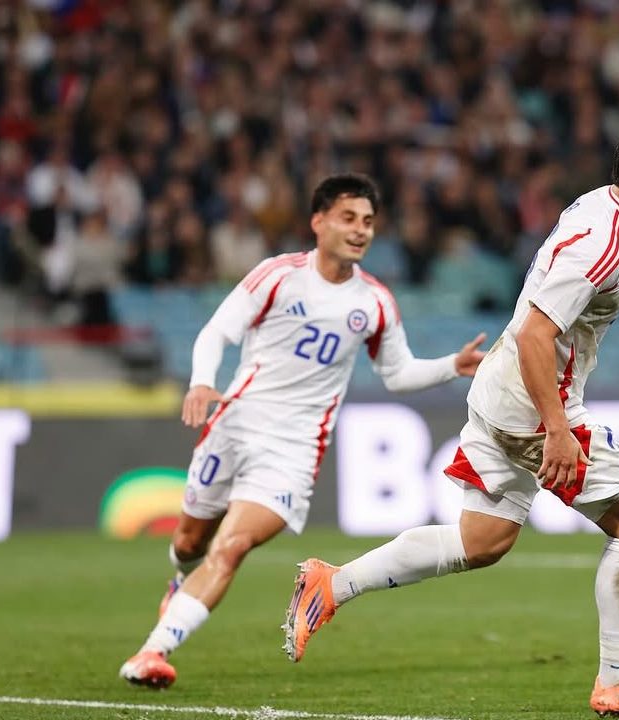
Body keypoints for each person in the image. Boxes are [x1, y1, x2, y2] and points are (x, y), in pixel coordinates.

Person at [282, 119, 619, 716]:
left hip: (501, 394)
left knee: (481, 541)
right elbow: (539, 334)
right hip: (536, 407)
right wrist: (558, 430)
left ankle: (333, 583)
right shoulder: (603, 245)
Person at [119, 174, 486, 689]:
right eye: (348, 218)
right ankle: (179, 582)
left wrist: (453, 364)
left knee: (232, 546)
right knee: (188, 541)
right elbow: (216, 332)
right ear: (318, 221)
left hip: (292, 451)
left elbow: (397, 373)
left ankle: (153, 652)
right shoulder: (277, 276)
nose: (360, 231)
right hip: (234, 426)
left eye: (368, 222)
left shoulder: (375, 302)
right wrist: (202, 382)